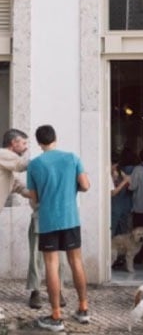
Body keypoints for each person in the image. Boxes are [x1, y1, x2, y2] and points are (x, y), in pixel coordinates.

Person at [27, 125, 90, 332]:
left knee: (51, 265)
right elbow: (86, 185)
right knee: (76, 262)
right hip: (71, 218)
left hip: (48, 220)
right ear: (56, 138)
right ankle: (83, 308)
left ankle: (56, 315)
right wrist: (71, 189)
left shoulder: (34, 164)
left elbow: (34, 200)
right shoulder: (72, 158)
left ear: (39, 142)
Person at [0, 128, 29, 211]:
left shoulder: (7, 168)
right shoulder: (2, 153)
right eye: (23, 143)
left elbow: (19, 187)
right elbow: (22, 165)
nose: (26, 147)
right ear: (14, 143)